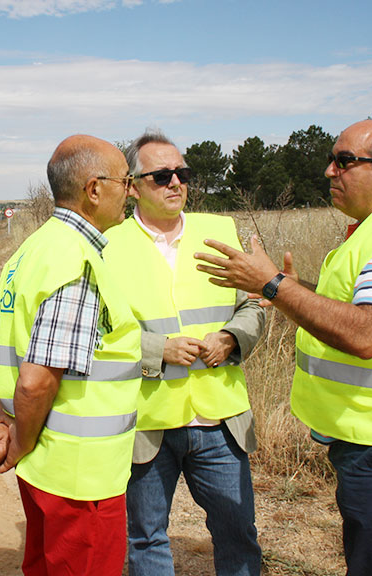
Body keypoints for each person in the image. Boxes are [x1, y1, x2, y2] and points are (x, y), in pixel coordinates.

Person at [194, 119, 372, 576]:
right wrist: (292, 288)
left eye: (344, 161)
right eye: (331, 160)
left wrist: (275, 285)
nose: (329, 171)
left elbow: (366, 334)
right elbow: (359, 308)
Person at [0, 134, 141, 575]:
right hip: (81, 479)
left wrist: (5, 421)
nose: (133, 191)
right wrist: (19, 443)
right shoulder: (75, 261)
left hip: (45, 469)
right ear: (94, 189)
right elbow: (36, 381)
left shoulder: (31, 250)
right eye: (126, 181)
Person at [101, 130, 263, 576]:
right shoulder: (107, 244)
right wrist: (158, 349)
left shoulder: (220, 232)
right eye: (161, 176)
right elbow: (96, 331)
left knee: (238, 533)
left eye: (182, 173)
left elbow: (252, 306)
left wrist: (231, 338)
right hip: (147, 423)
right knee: (146, 537)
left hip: (221, 421)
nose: (175, 182)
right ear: (133, 187)